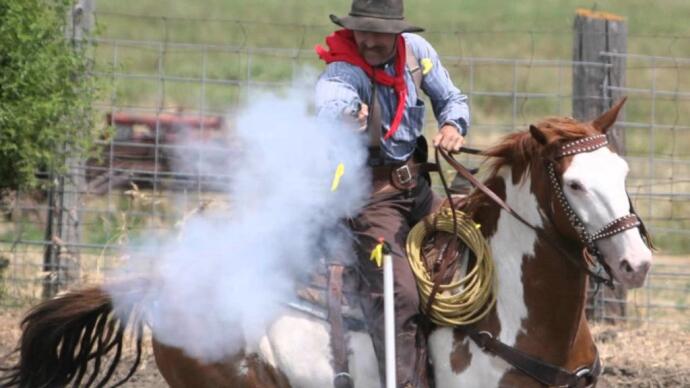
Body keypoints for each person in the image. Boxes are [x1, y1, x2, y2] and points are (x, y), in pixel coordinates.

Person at [314, 0, 470, 386]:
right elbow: (331, 99)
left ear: (397, 32)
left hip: (416, 187)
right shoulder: (344, 66)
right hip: (370, 198)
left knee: (476, 241)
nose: (367, 40)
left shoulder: (418, 56)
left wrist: (453, 125)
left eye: (377, 31)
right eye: (361, 30)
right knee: (400, 294)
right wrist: (348, 113)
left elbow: (452, 99)